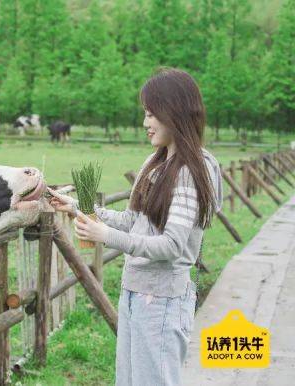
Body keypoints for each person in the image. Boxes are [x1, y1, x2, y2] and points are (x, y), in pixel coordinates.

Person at [48, 67, 223, 386]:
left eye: (152, 114)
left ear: (176, 112)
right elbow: (134, 222)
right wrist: (77, 208)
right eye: (145, 114)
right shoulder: (156, 162)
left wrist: (106, 236)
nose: (146, 123)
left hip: (163, 300)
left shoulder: (189, 172)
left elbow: (171, 247)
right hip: (135, 292)